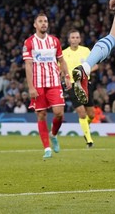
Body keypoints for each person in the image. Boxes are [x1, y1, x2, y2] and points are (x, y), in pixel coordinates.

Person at [23, 12, 71, 159]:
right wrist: (31, 87)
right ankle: (47, 148)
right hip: (38, 84)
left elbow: (62, 60)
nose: (44, 23)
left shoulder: (54, 41)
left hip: (54, 82)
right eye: (40, 21)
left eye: (45, 21)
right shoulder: (29, 42)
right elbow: (28, 65)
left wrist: (67, 76)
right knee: (41, 114)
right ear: (35, 25)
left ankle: (54, 134)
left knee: (59, 113)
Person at [62, 29, 98, 148]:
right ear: (68, 40)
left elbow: (95, 65)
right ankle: (89, 140)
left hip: (86, 83)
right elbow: (59, 69)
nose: (75, 40)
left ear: (80, 39)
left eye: (77, 37)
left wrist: (84, 71)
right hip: (72, 85)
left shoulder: (86, 51)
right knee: (82, 113)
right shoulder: (64, 53)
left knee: (91, 114)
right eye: (72, 37)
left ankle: (86, 127)